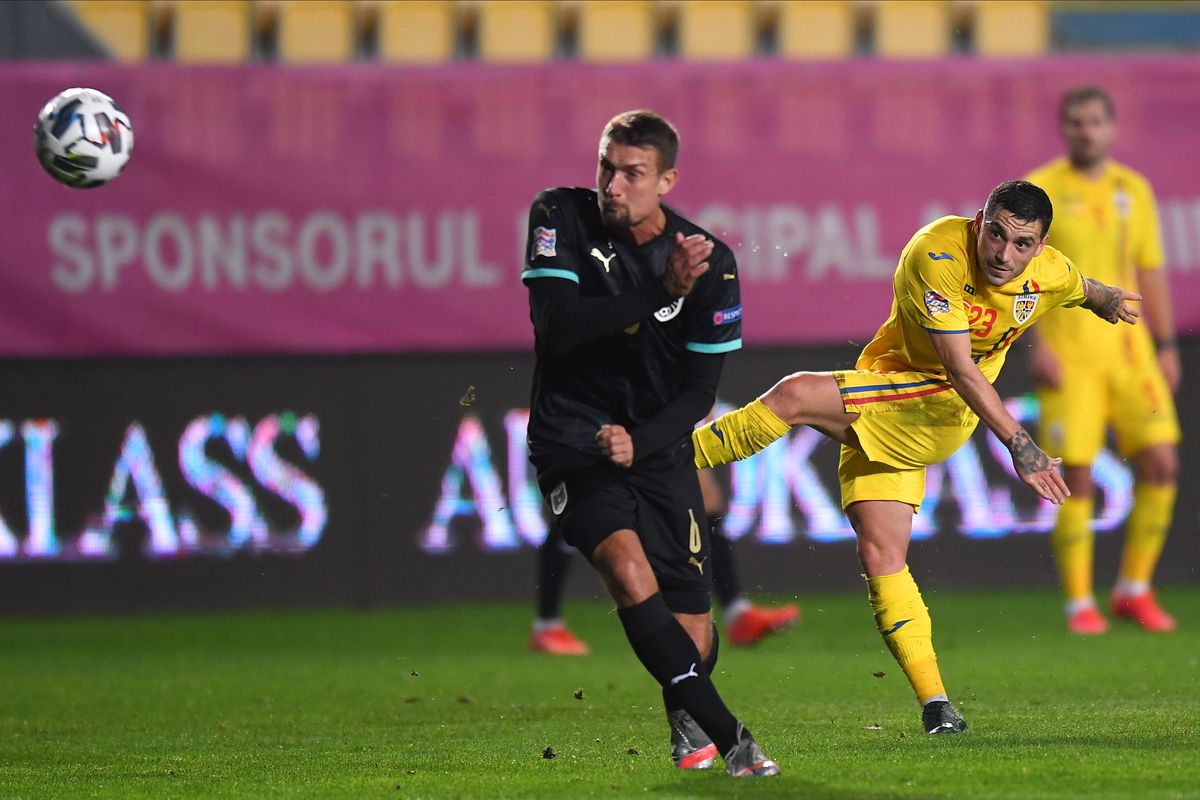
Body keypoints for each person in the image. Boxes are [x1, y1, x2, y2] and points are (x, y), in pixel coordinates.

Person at [690, 180, 1142, 734]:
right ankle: (937, 705)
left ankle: (667, 462)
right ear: (980, 221)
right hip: (899, 394)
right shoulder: (937, 253)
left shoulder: (1049, 272)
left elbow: (1080, 288)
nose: (1004, 254)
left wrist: (1109, 301)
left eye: (1023, 244)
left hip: (937, 408)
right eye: (996, 234)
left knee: (795, 395)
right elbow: (960, 361)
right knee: (882, 555)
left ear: (1041, 246)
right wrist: (1020, 441)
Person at [522, 109, 779, 777]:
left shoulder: (709, 262)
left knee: (694, 625)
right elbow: (557, 327)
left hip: (657, 449)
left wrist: (641, 441)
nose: (613, 184)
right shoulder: (559, 215)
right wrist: (655, 292)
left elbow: (698, 393)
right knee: (627, 572)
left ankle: (687, 722)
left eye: (632, 173)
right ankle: (735, 740)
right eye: (606, 166)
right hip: (573, 439)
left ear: (665, 180)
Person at [1024, 86, 1181, 635]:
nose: (1084, 131)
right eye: (1074, 122)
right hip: (1070, 355)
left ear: (1110, 128)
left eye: (1093, 122)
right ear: (1063, 129)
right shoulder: (1041, 189)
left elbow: (1151, 269)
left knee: (1161, 462)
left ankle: (1134, 588)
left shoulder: (1133, 189)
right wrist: (1036, 343)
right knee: (1077, 475)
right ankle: (1079, 602)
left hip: (1132, 353)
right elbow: (1021, 272)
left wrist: (1166, 345)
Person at [531, 464, 801, 655]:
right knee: (583, 502)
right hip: (612, 410)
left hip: (648, 404)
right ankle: (547, 624)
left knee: (705, 493)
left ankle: (737, 613)